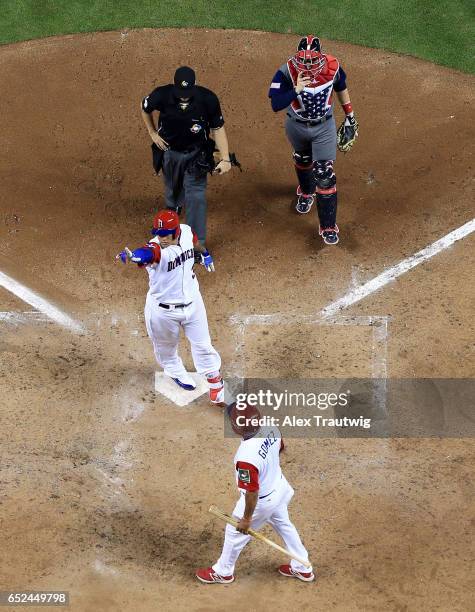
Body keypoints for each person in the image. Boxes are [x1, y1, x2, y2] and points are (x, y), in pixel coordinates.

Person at [195, 403, 314, 583]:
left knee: (234, 533)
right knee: (284, 524)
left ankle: (223, 571)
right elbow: (280, 447)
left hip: (262, 501)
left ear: (236, 429)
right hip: (279, 487)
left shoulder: (246, 457)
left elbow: (251, 492)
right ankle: (302, 567)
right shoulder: (269, 425)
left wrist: (247, 519)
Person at [116, 209, 224, 405]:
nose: (161, 238)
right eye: (158, 233)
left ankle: (215, 381)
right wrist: (134, 257)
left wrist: (205, 254)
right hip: (163, 311)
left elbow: (195, 243)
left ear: (176, 231)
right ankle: (174, 370)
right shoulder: (157, 248)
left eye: (165, 234)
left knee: (203, 345)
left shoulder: (186, 231)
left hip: (193, 302)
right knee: (166, 348)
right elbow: (147, 253)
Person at [269, 35, 359, 245]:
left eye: (311, 60)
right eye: (304, 60)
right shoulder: (286, 71)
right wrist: (296, 89)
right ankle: (307, 192)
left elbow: (341, 87)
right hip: (296, 125)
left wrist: (350, 115)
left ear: (320, 57)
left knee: (325, 175)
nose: (307, 64)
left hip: (323, 127)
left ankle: (328, 226)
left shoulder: (333, 67)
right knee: (302, 159)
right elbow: (275, 104)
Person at [141, 66, 232, 245]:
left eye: (188, 91)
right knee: (172, 191)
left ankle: (196, 244)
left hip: (196, 154)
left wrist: (225, 157)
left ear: (195, 84)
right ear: (174, 85)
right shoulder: (161, 95)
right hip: (170, 151)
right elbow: (145, 108)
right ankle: (175, 204)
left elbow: (217, 128)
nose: (184, 96)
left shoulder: (208, 99)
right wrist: (152, 132)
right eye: (181, 92)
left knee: (196, 197)